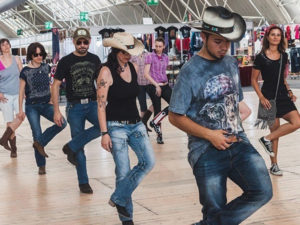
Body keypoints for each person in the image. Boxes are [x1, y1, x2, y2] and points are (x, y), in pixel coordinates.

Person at [168, 6, 272, 225]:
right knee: (214, 208)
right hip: (205, 150)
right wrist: (210, 134)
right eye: (218, 41)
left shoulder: (231, 63)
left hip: (238, 142)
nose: (224, 47)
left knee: (262, 191)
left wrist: (238, 118)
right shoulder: (190, 72)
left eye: (228, 41)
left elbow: (234, 103)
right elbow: (175, 116)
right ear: (203, 36)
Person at [98, 32, 155, 225]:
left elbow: (134, 96)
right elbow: (100, 105)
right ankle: (127, 219)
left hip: (136, 124)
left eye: (129, 51)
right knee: (122, 172)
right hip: (116, 128)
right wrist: (104, 133)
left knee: (148, 162)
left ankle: (118, 198)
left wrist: (142, 117)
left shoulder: (132, 66)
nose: (127, 55)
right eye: (123, 52)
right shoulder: (105, 71)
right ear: (114, 51)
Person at [52, 28, 101, 194]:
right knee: (79, 147)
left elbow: (101, 81)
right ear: (74, 42)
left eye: (85, 42)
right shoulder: (65, 61)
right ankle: (83, 182)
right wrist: (56, 110)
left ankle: (71, 146)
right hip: (74, 107)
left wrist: (103, 101)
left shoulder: (95, 59)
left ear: (89, 42)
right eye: (79, 42)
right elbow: (56, 85)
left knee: (104, 126)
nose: (82, 45)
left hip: (93, 104)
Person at [251, 25, 300, 176]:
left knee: (297, 122)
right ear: (267, 37)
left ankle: (266, 139)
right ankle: (274, 165)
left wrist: (290, 91)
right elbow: (253, 80)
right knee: (275, 133)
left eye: (278, 35)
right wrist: (261, 97)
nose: (276, 37)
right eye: (273, 34)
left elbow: (283, 78)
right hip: (268, 97)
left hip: (283, 96)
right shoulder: (260, 57)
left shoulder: (284, 55)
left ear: (281, 38)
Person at [18, 42, 67, 175]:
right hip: (31, 106)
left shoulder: (46, 67)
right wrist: (20, 110)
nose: (39, 57)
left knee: (62, 123)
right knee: (36, 134)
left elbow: (52, 85)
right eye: (36, 54)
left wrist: (52, 98)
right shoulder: (25, 71)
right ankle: (41, 166)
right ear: (31, 55)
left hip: (46, 104)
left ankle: (40, 143)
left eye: (41, 54)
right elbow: (21, 91)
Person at [0, 38, 24, 157]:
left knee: (21, 116)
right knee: (9, 121)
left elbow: (22, 75)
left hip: (18, 94)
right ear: (0, 48)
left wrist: (24, 90)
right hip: (5, 95)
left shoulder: (16, 58)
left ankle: (3, 138)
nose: (6, 46)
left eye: (7, 44)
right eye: (3, 45)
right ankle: (14, 149)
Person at [144, 37, 171, 144]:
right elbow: (146, 74)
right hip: (154, 86)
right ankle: (159, 136)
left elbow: (163, 72)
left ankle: (154, 121)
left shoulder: (166, 57)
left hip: (165, 85)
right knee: (157, 110)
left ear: (164, 46)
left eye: (160, 46)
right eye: (156, 46)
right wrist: (156, 85)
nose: (158, 48)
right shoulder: (150, 56)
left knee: (174, 104)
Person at [130, 50, 153, 132]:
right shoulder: (132, 56)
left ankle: (144, 121)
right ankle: (143, 127)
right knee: (143, 106)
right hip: (139, 84)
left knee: (155, 102)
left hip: (149, 83)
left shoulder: (149, 55)